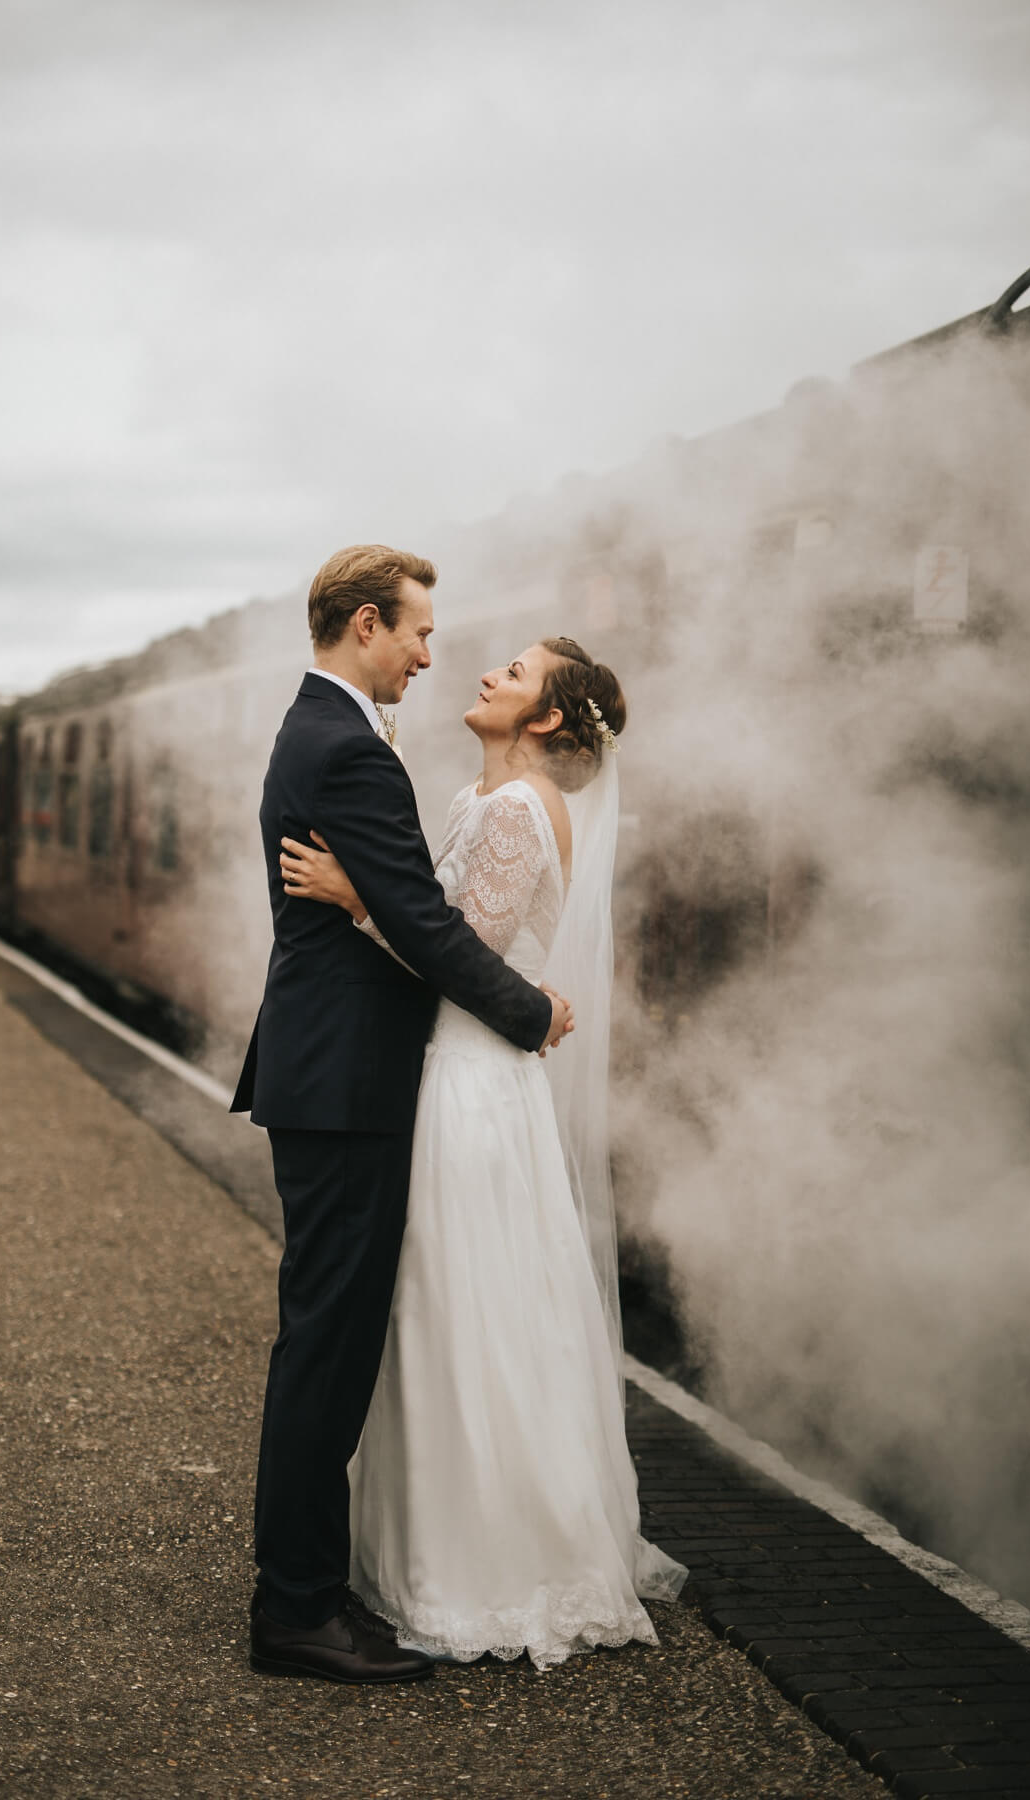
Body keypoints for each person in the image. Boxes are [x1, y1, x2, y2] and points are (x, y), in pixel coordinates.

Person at [280, 636, 688, 1669]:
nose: (487, 672)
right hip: (450, 1076)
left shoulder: (511, 812)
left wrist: (354, 895)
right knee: (438, 1309)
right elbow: (453, 938)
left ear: (546, 720)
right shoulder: (479, 800)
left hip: (467, 1089)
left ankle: (485, 1568)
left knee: (461, 1308)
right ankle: (428, 1549)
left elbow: (457, 957)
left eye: (516, 672)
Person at [231, 546, 574, 1685]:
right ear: (367, 625)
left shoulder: (326, 732)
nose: (433, 655)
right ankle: (295, 1613)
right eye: (420, 633)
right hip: (344, 1083)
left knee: (328, 1341)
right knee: (327, 1347)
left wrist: (366, 898)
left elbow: (401, 910)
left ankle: (311, 1591)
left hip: (335, 1074)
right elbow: (428, 930)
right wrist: (529, 1013)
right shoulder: (347, 748)